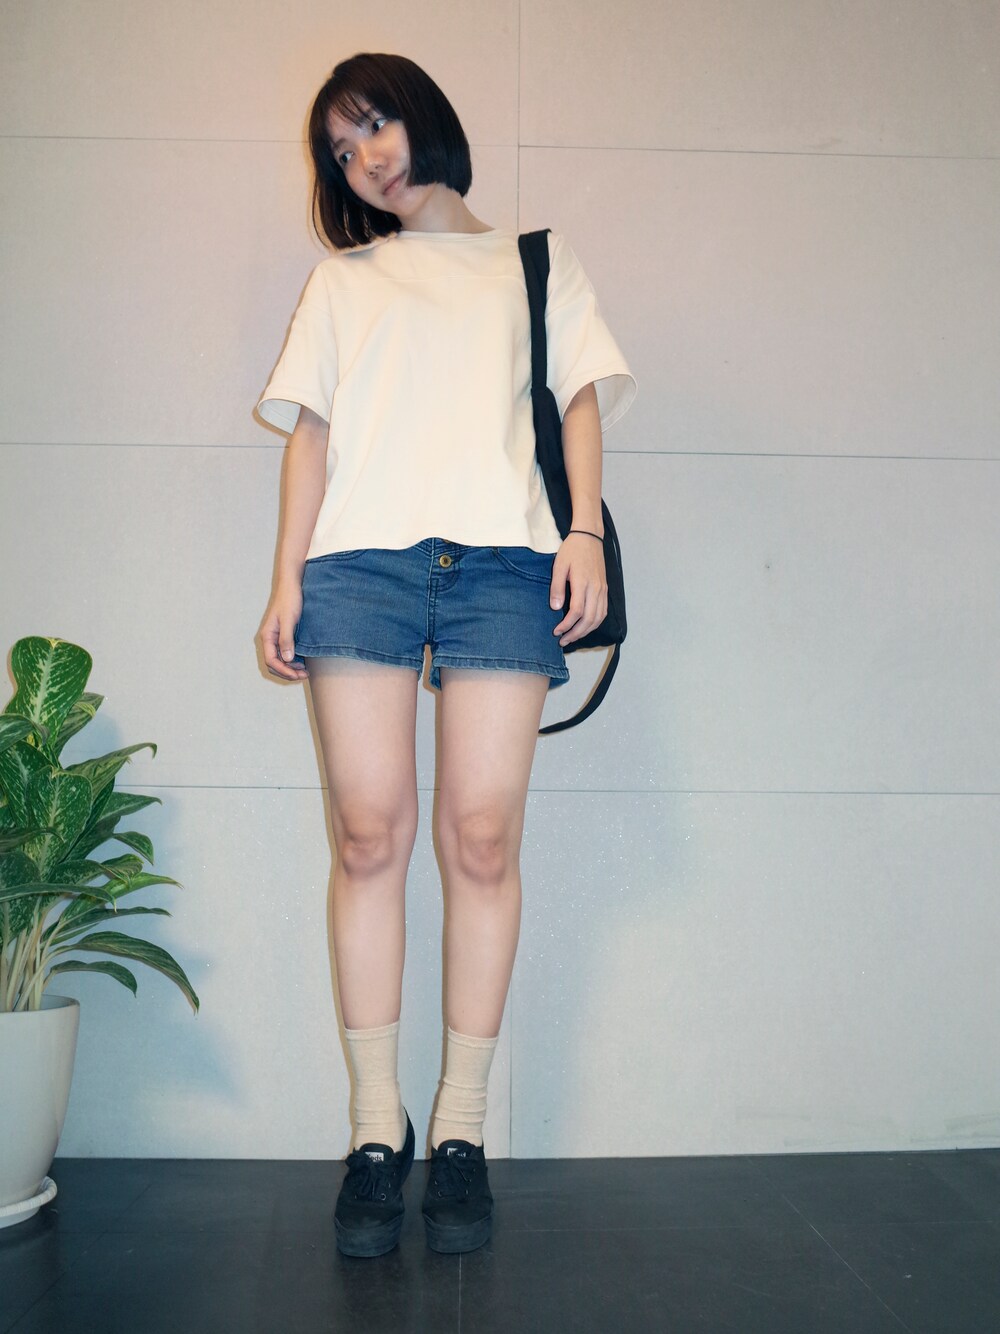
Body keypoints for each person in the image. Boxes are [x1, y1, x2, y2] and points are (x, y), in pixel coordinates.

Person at [257, 52, 635, 1258]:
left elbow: (577, 398)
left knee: (481, 838)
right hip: (358, 567)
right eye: (341, 148)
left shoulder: (536, 260)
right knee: (369, 835)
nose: (365, 156)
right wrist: (284, 579)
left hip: (504, 568)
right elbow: (310, 438)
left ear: (423, 116)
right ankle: (379, 1128)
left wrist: (584, 532)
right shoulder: (341, 281)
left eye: (374, 123)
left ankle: (460, 1126)